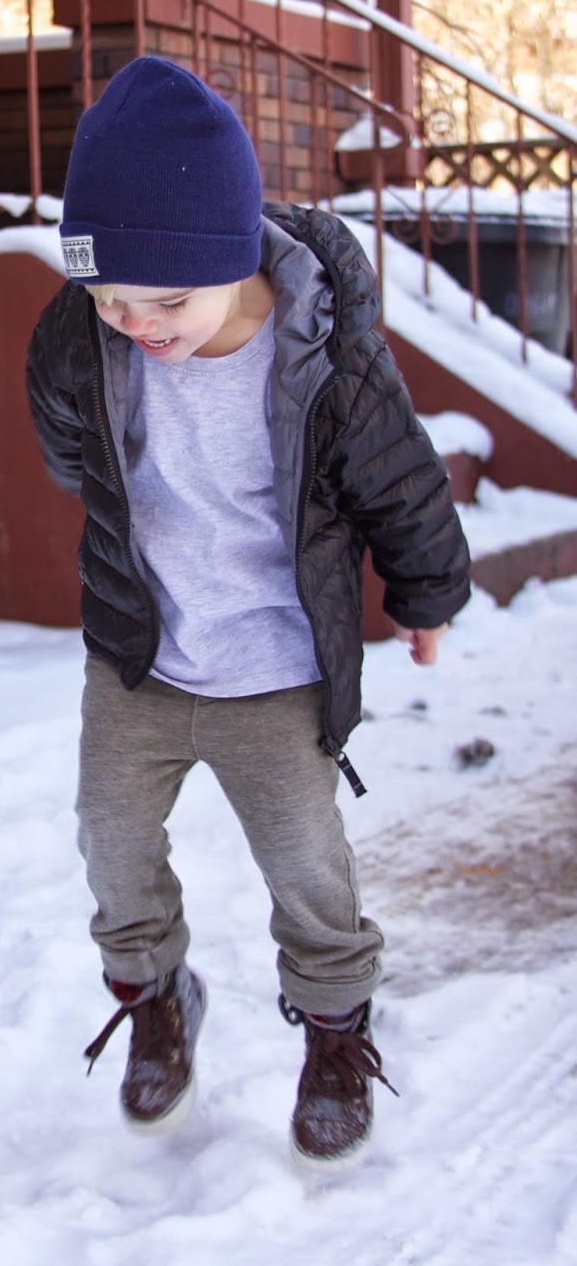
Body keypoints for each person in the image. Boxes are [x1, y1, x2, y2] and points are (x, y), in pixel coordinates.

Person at [25, 56, 470, 1165]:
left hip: (274, 670)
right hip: (139, 658)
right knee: (110, 845)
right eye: (111, 298)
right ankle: (155, 994)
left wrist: (424, 592)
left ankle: (334, 1033)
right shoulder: (80, 337)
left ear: (229, 258)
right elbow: (69, 448)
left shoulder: (326, 359)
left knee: (307, 868)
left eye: (166, 302)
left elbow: (401, 480)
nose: (137, 323)